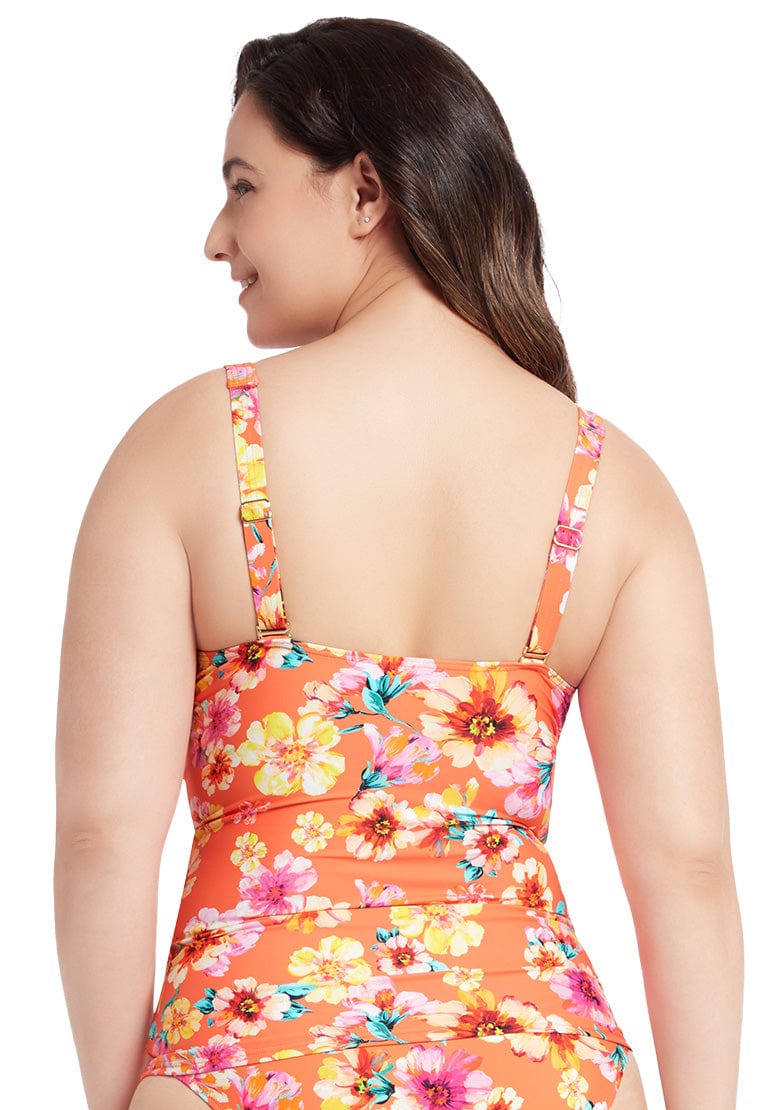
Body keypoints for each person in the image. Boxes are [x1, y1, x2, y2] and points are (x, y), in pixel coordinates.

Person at [54, 16, 743, 1110]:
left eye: (242, 186)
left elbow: (102, 838)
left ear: (366, 191)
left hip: (245, 1059)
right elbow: (689, 871)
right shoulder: (611, 485)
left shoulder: (188, 446)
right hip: (544, 1065)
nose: (216, 239)